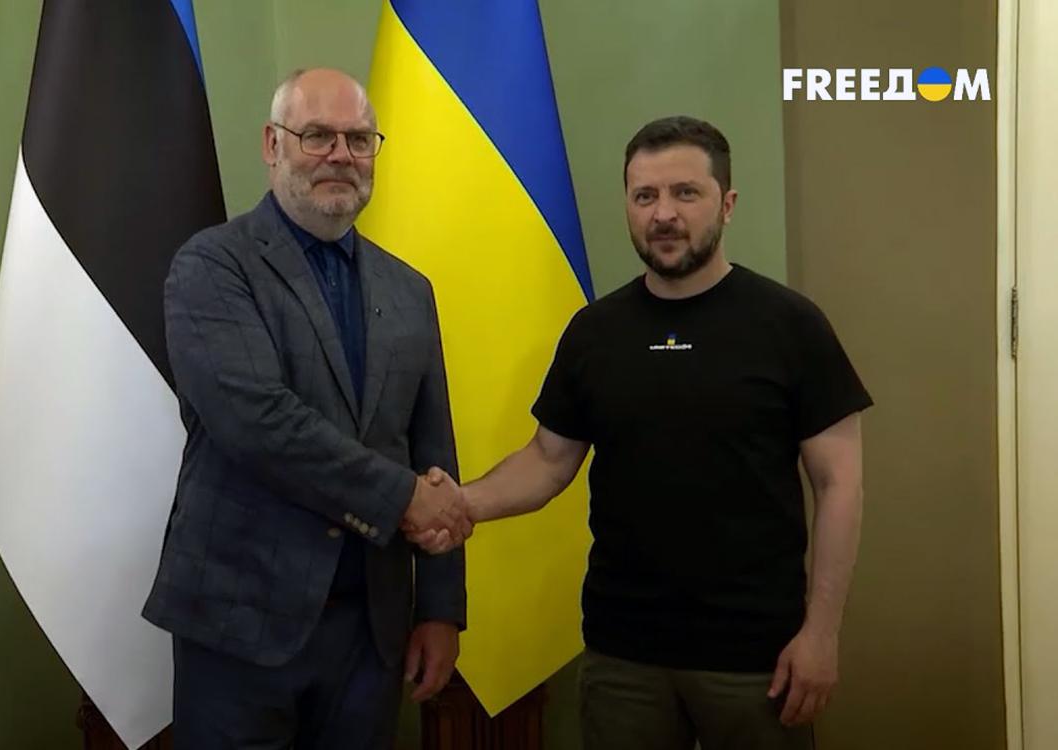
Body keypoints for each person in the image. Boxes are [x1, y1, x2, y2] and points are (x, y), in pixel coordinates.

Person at [415, 115, 872, 750]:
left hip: (757, 659)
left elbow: (840, 486)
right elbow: (548, 460)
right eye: (645, 196)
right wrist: (461, 503)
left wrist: (821, 634)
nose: (664, 214)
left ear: (727, 204)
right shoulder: (595, 333)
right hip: (622, 656)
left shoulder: (791, 326)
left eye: (686, 193)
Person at [142, 68, 471, 750]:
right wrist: (405, 499)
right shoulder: (212, 266)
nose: (340, 155)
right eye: (317, 135)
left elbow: (433, 449)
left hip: (372, 634)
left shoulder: (409, 289)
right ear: (273, 144)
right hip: (240, 626)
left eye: (358, 139)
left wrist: (440, 608)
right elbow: (256, 422)